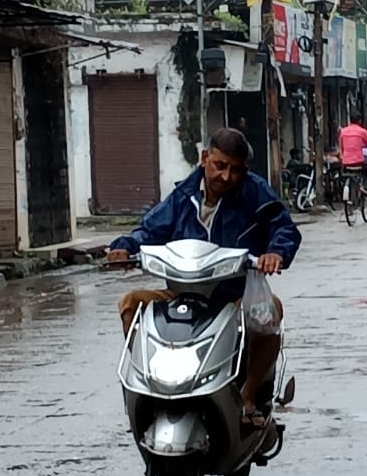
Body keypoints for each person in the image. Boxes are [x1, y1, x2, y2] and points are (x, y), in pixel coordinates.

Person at [105, 128, 302, 428]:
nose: (226, 176)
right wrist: (124, 247)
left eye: (235, 170)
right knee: (132, 303)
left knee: (268, 311)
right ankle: (148, 386)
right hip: (182, 294)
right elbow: (150, 230)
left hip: (233, 296)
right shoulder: (183, 196)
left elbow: (284, 227)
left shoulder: (255, 192)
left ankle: (248, 395)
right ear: (204, 158)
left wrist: (275, 252)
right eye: (219, 166)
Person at [337, 112, 367, 195]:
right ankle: (363, 186)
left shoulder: (343, 131)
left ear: (350, 120)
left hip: (346, 162)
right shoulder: (363, 132)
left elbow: (341, 147)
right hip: (358, 162)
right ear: (359, 121)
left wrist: (343, 157)